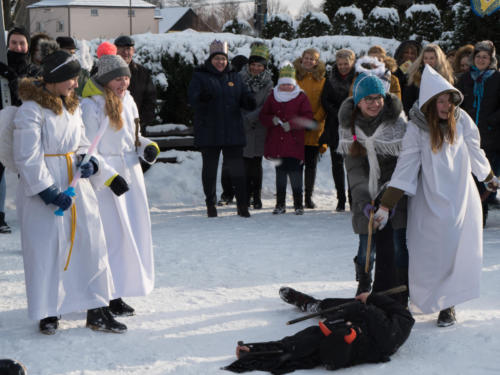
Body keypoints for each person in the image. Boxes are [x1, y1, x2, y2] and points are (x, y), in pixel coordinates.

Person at [373, 65, 499, 327]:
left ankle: (447, 304)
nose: (446, 106)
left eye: (449, 100)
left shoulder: (462, 119)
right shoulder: (417, 128)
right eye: (440, 101)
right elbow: (406, 167)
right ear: (430, 103)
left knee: (455, 251)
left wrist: (488, 177)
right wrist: (386, 206)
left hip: (460, 198)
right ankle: (423, 297)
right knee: (428, 253)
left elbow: (475, 150)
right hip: (429, 199)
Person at [13, 49, 126, 334]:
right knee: (48, 251)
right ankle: (48, 311)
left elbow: (83, 144)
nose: (76, 84)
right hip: (46, 188)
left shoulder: (72, 106)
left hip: (76, 185)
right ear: (55, 78)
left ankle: (96, 308)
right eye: (71, 79)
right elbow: (27, 157)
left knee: (91, 245)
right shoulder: (30, 110)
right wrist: (48, 192)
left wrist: (89, 163)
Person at [81, 52, 158, 317]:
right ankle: (104, 294)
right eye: (117, 78)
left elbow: (134, 137)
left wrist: (146, 147)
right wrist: (108, 177)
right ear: (104, 80)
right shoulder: (91, 105)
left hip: (131, 176)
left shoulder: (129, 101)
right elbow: (89, 148)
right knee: (111, 237)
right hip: (107, 181)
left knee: (130, 235)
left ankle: (118, 292)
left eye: (125, 76)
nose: (123, 82)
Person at [224, 288, 414, 373]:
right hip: (364, 324)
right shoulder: (395, 326)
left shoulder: (386, 328)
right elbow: (404, 316)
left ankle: (314, 306)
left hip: (355, 331)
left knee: (310, 340)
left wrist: (255, 350)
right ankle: (315, 305)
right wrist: (369, 299)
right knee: (349, 304)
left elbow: (295, 347)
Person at [337, 73, 407, 296]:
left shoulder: (397, 124)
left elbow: (404, 163)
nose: (375, 103)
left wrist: (390, 197)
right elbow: (354, 169)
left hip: (395, 190)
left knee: (397, 244)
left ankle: (401, 286)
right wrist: (364, 201)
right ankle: (364, 281)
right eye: (368, 99)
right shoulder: (349, 127)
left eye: (379, 98)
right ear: (358, 101)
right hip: (364, 192)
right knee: (367, 244)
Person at [188, 40, 256, 218]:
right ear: (211, 60)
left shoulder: (235, 76)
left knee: (237, 170)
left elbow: (244, 95)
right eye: (217, 59)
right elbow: (192, 99)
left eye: (223, 59)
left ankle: (242, 205)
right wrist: (202, 98)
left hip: (232, 130)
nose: (220, 62)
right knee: (209, 171)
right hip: (209, 131)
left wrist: (248, 100)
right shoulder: (200, 76)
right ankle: (210, 204)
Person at [259, 62, 313, 215]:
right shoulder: (272, 95)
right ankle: (280, 204)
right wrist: (272, 120)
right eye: (283, 85)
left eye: (289, 85)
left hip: (294, 143)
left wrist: (293, 124)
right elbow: (263, 116)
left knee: (296, 174)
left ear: (293, 84)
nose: (286, 88)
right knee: (280, 174)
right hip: (277, 144)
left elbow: (308, 117)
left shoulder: (301, 96)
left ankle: (298, 204)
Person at [456, 41, 500, 217]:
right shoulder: (465, 78)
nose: (481, 60)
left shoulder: (497, 78)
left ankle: (482, 210)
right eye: (478, 56)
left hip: (491, 133)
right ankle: (470, 210)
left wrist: (492, 121)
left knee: (485, 171)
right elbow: (457, 102)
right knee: (468, 173)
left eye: (485, 57)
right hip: (467, 132)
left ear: (491, 60)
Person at [0, 26, 33, 234]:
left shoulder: (33, 69)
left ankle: (31, 215)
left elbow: (33, 95)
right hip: (2, 126)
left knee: (27, 171)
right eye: (14, 43)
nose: (18, 47)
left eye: (22, 43)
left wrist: (16, 81)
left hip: (25, 128)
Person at [320, 49, 356, 212]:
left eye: (346, 64)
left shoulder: (358, 78)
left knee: (352, 164)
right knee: (337, 164)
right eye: (340, 64)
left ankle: (353, 198)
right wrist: (338, 113)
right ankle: (340, 199)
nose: (342, 67)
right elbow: (325, 100)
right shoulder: (330, 78)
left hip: (353, 124)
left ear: (352, 62)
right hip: (335, 124)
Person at [240, 43, 273, 209]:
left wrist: (251, 117)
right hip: (243, 127)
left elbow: (267, 105)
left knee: (256, 164)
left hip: (259, 127)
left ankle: (257, 195)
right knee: (245, 163)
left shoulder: (269, 83)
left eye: (259, 65)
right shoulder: (240, 78)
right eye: (253, 64)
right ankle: (245, 196)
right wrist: (243, 118)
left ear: (264, 66)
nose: (256, 68)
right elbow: (235, 100)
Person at [293, 48, 326, 209]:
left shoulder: (323, 80)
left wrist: (315, 120)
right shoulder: (293, 78)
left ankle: (308, 196)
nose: (308, 61)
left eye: (312, 59)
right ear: (301, 59)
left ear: (316, 62)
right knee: (297, 166)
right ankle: (297, 198)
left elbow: (324, 104)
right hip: (297, 129)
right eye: (306, 58)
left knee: (311, 166)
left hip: (314, 128)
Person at [217, 54, 250, 206]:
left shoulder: (232, 79)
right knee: (236, 163)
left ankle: (229, 194)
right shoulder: (233, 79)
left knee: (230, 163)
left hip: (238, 125)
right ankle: (237, 194)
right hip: (235, 125)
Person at [114, 35, 157, 131]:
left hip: (137, 125)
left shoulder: (142, 72)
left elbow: (150, 98)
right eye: (122, 49)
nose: (125, 52)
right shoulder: (105, 71)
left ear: (133, 51)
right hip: (112, 125)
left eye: (128, 49)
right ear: (115, 50)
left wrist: (141, 121)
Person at [403, 44, 454, 115]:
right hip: (419, 117)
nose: (428, 61)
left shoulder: (445, 77)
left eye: (431, 58)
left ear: (438, 59)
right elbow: (407, 101)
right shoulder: (415, 76)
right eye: (425, 58)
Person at [393, 40, 421, 108]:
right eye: (406, 52)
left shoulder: (421, 71)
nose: (409, 55)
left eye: (412, 53)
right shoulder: (394, 69)